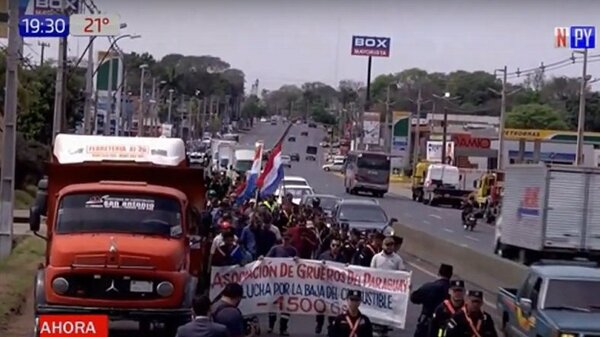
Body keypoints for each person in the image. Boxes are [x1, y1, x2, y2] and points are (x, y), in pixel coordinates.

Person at [264, 232, 297, 336]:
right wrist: (262, 259)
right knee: (273, 303)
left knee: (286, 306)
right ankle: (271, 326)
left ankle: (283, 328)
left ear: (290, 240)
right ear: (281, 239)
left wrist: (297, 260)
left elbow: (299, 264)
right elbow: (267, 259)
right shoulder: (275, 249)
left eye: (288, 239)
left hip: (288, 283)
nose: (285, 241)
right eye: (284, 238)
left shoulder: (293, 250)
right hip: (275, 281)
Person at [410, 263, 454, 337]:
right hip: (445, 327)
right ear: (450, 275)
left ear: (439, 273)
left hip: (426, 324)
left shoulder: (429, 287)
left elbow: (414, 298)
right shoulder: (453, 292)